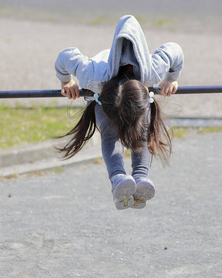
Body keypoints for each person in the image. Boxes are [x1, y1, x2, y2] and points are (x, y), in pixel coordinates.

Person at [55, 15, 183, 210]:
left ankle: (141, 178)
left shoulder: (152, 71)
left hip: (135, 94)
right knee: (110, 134)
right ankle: (118, 179)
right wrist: (66, 81)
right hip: (103, 95)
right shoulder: (92, 76)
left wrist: (171, 77)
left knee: (142, 130)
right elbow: (65, 56)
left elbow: (175, 50)